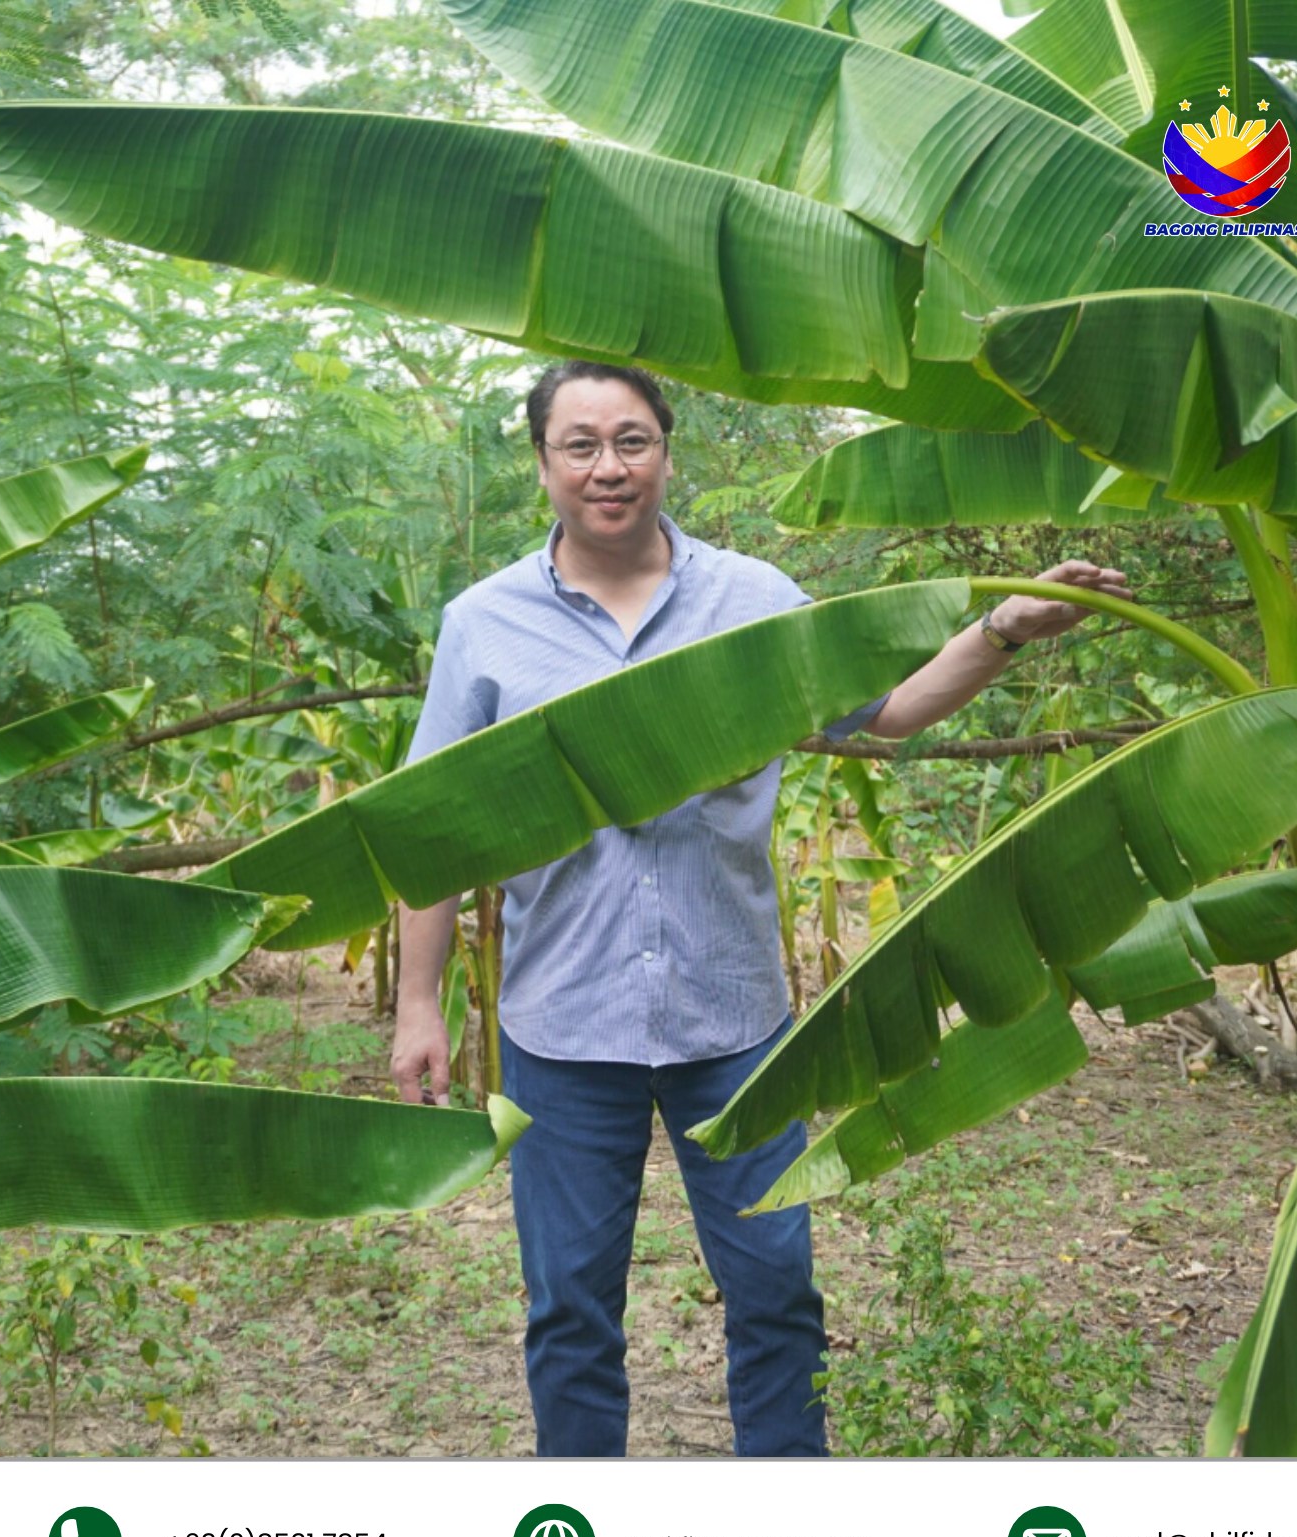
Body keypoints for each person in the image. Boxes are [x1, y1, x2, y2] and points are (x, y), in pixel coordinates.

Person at [389, 361, 1129, 1457]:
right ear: (542, 461)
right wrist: (417, 1007)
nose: (608, 466)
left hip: (731, 1019)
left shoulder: (756, 601)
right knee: (570, 1313)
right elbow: (429, 827)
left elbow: (885, 711)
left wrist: (1005, 630)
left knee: (778, 1295)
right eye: (580, 444)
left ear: (667, 450)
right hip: (561, 1023)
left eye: (631, 440)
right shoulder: (485, 624)